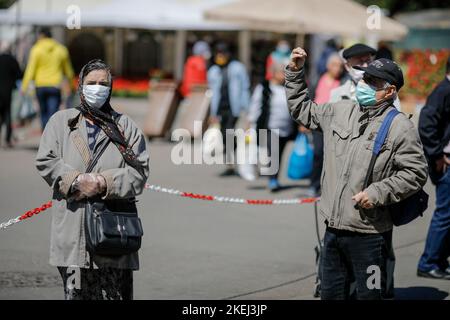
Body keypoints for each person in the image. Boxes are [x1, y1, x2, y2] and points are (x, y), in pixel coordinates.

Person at [286, 47, 428, 300]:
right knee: (331, 294)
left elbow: (415, 173)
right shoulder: (340, 111)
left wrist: (377, 191)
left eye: (373, 81)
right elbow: (302, 110)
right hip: (332, 231)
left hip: (370, 237)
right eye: (364, 78)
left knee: (369, 295)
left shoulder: (400, 127)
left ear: (390, 91)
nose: (364, 84)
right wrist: (295, 72)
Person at [35, 60, 149, 300]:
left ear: (111, 88)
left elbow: (139, 173)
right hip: (72, 232)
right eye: (91, 83)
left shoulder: (125, 126)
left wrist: (103, 182)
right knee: (76, 294)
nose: (97, 88)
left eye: (103, 84)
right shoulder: (61, 122)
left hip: (114, 237)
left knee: (114, 295)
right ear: (80, 85)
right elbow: (46, 160)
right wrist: (75, 180)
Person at [417, 56, 450, 280]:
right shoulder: (443, 91)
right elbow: (426, 124)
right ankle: (428, 262)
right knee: (445, 214)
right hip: (445, 163)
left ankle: (439, 260)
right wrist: (437, 154)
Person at [247, 62, 296, 191]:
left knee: (279, 154)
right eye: (281, 72)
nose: (284, 75)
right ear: (274, 73)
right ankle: (272, 179)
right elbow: (255, 105)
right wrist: (250, 121)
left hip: (286, 127)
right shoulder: (264, 87)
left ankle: (274, 177)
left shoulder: (289, 87)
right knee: (273, 153)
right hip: (270, 126)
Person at [208, 42, 250, 176]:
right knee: (224, 135)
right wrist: (212, 113)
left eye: (222, 53)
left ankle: (234, 160)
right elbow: (211, 92)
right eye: (218, 53)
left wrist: (247, 109)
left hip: (234, 108)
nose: (220, 56)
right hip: (220, 108)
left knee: (229, 133)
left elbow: (245, 88)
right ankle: (230, 163)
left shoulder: (238, 68)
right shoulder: (214, 70)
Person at [21, 27, 74, 130]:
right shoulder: (61, 49)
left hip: (40, 85)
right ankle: (51, 134)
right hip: (55, 85)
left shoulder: (36, 49)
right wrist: (71, 85)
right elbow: (68, 71)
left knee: (43, 112)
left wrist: (24, 86)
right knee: (53, 111)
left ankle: (45, 133)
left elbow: (30, 70)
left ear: (41, 36)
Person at [308, 53, 343, 197]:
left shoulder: (342, 83)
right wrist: (304, 121)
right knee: (318, 153)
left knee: (332, 156)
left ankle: (329, 186)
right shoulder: (318, 79)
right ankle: (314, 184)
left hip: (334, 124)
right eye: (335, 65)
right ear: (328, 66)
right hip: (317, 122)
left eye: (340, 66)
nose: (338, 69)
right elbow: (309, 98)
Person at [0, 42, 22, 148]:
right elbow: (19, 74)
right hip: (8, 91)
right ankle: (7, 139)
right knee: (7, 114)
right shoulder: (12, 60)